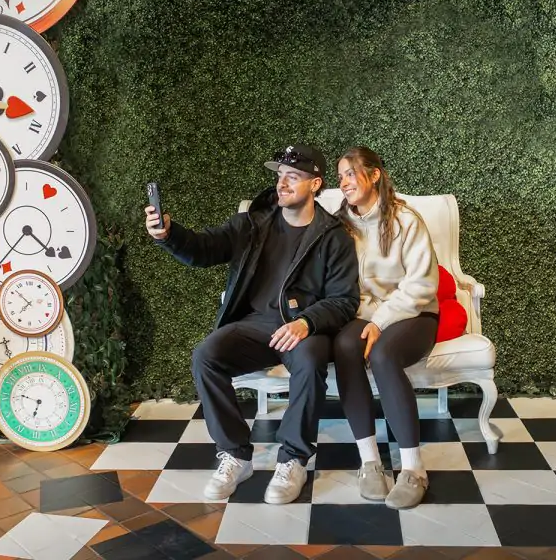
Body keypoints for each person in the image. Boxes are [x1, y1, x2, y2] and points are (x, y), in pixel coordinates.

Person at [145, 144, 359, 505]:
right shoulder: (252, 224)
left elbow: (344, 300)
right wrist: (169, 234)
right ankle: (236, 455)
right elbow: (204, 248)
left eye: (293, 176)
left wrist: (307, 322)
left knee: (309, 363)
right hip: (255, 325)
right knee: (206, 355)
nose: (282, 183)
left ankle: (293, 459)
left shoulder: (333, 236)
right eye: (279, 175)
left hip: (303, 328)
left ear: (316, 184)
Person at [334, 147, 439, 510]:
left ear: (374, 174)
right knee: (345, 348)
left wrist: (379, 321)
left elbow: (421, 286)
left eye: (350, 173)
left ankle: (413, 469)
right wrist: (367, 318)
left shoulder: (406, 220)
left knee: (383, 355)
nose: (344, 182)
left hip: (415, 315)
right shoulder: (339, 226)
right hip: (362, 314)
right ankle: (370, 462)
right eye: (340, 177)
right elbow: (339, 288)